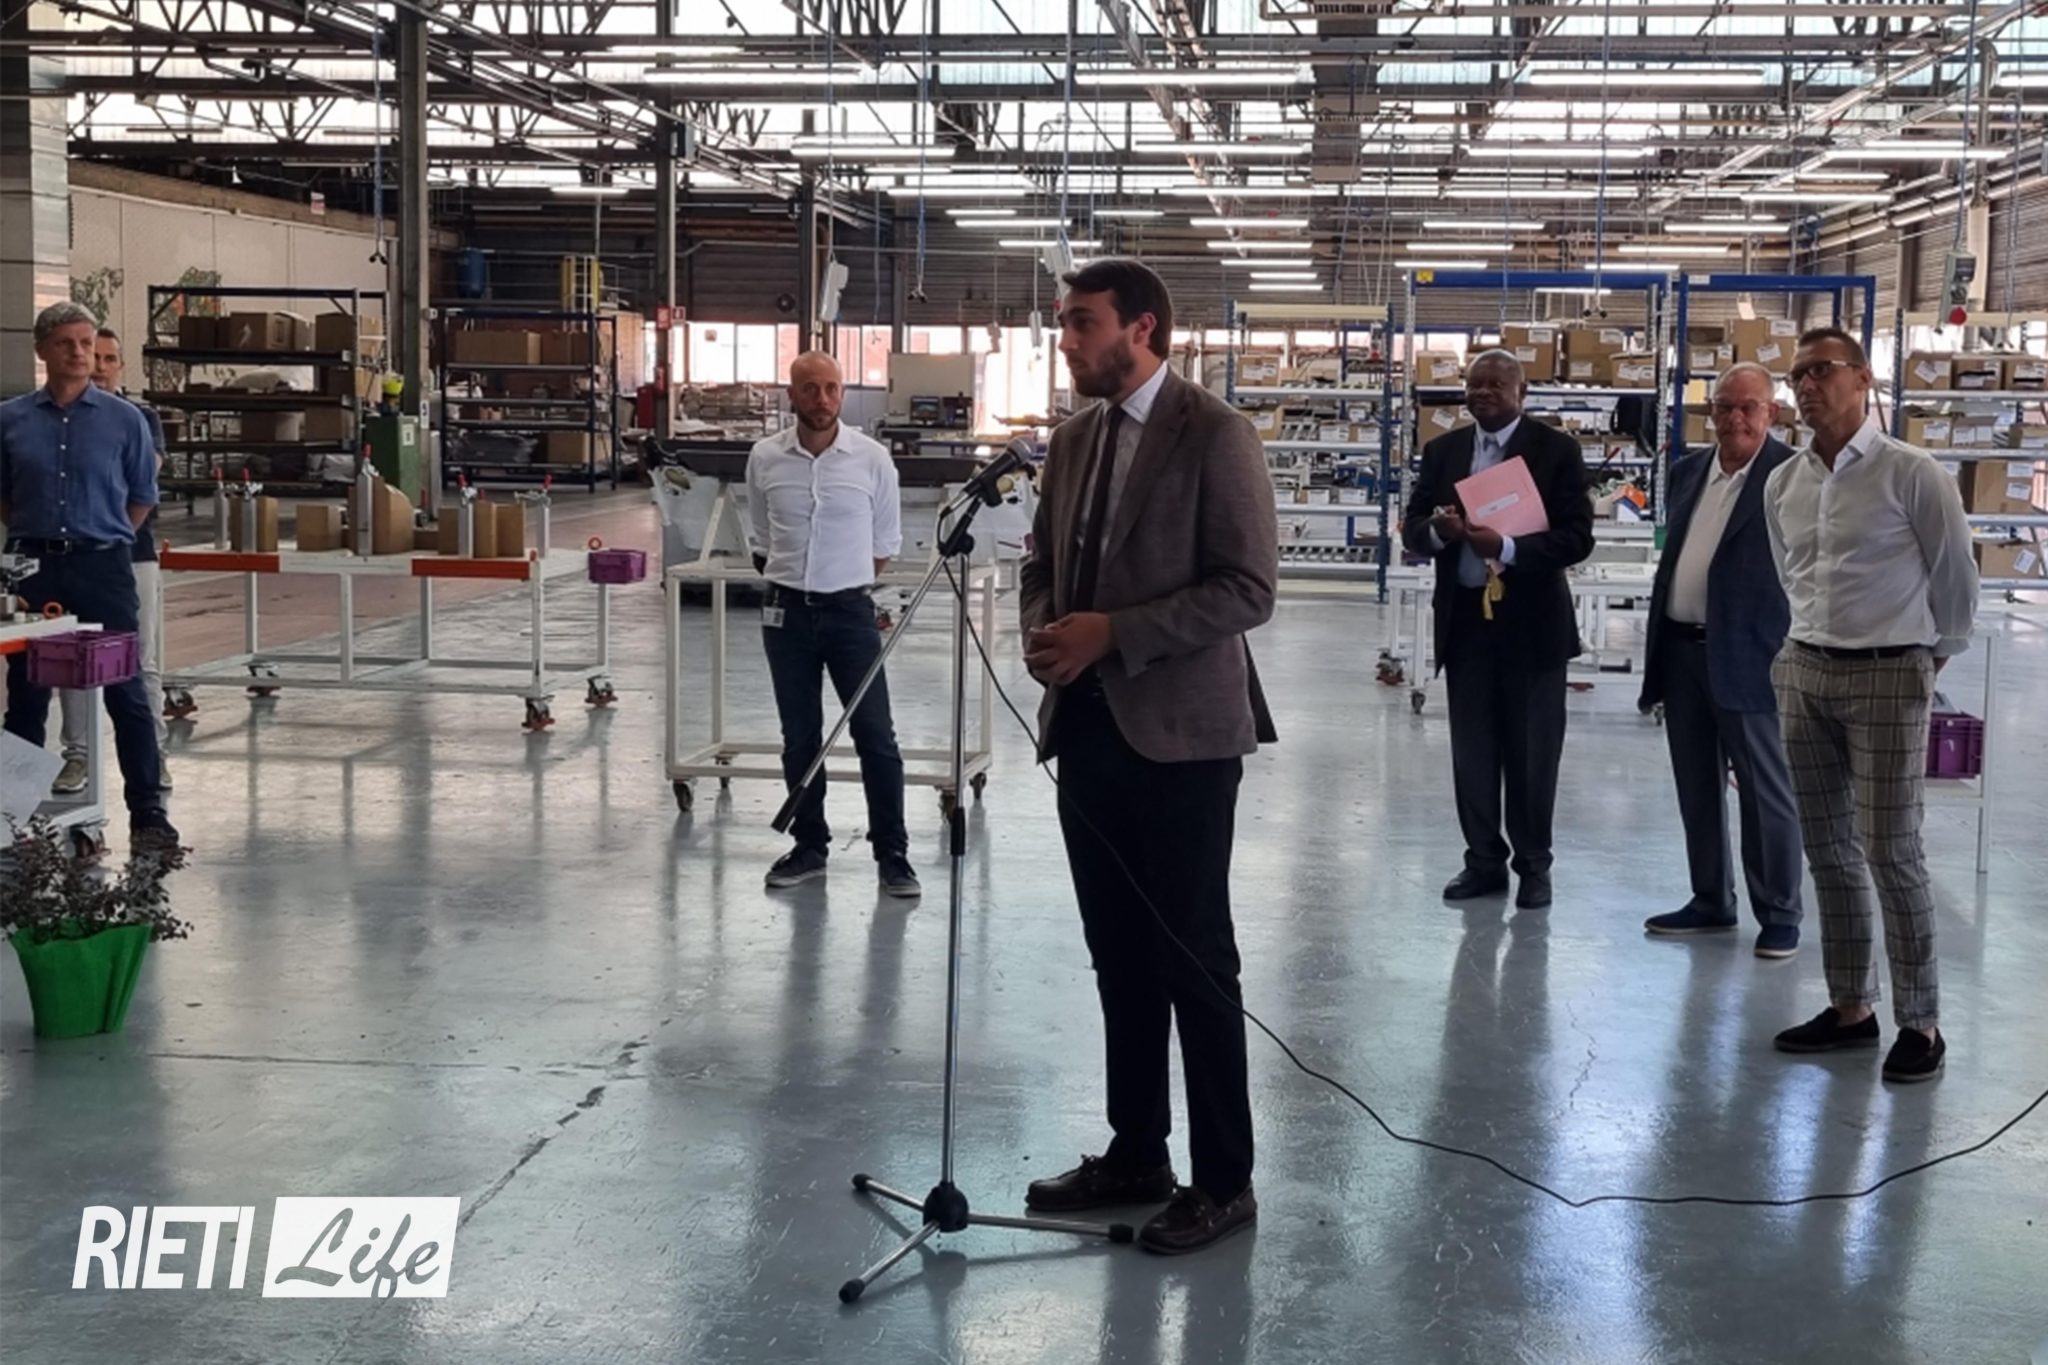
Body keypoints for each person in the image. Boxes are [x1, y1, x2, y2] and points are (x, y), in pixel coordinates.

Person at [1019, 258, 1277, 1255]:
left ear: (1143, 329)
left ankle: (1224, 1179)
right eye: (1063, 323)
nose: (1067, 341)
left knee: (1192, 957)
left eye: (1082, 323)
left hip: (1182, 739)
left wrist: (1113, 634)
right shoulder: (1072, 440)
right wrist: (1048, 626)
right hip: (1087, 728)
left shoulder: (1214, 433)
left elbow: (1247, 587)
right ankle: (1136, 1152)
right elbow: (1041, 560)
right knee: (1117, 953)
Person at [1764, 327, 1976, 1083]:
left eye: (1821, 370)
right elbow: (1791, 574)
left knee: (1892, 850)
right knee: (1827, 848)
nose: (1806, 386)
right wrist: (1802, 652)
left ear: (1862, 379)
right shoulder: (1784, 483)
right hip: (1805, 670)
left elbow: (1956, 578)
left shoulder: (1912, 473)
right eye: (1797, 375)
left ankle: (1921, 1022)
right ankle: (1851, 1007)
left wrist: (1927, 656)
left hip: (1889, 673)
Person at [1401, 348, 1594, 910]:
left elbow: (1577, 538)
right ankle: (1482, 862)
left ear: (1521, 392)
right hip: (1466, 626)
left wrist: (1506, 547)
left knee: (1532, 755)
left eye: (1495, 384)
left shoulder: (1556, 451)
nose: (1482, 393)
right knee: (1473, 755)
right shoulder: (1443, 451)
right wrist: (1437, 531)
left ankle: (1534, 866)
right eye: (1474, 383)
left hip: (1532, 629)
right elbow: (1412, 528)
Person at [1637, 363, 1804, 958]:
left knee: (1765, 790)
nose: (1735, 418)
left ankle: (1779, 911)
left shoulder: (1794, 476)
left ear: (1772, 413)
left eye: (1748, 407)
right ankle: (1710, 898)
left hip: (1752, 655)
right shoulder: (1688, 472)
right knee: (1696, 786)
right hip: (1682, 653)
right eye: (1724, 407)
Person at [1, 301, 178, 849]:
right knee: (27, 688)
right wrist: (39, 536)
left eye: (86, 343)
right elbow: (4, 495)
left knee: (126, 689)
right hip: (33, 567)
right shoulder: (10, 420)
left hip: (102, 565)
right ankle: (12, 814)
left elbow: (142, 496)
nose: (79, 354)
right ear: (42, 350)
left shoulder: (125, 421)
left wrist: (101, 536)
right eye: (66, 343)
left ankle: (148, 812)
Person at [744, 349, 918, 898]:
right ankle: (809, 846)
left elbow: (884, 543)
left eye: (831, 388)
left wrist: (839, 584)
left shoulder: (872, 459)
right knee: (800, 737)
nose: (822, 399)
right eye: (810, 388)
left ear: (842, 393)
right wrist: (799, 583)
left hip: (850, 615)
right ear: (791, 395)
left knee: (876, 736)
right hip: (785, 615)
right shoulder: (764, 458)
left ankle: (892, 854)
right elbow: (761, 537)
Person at [54, 327, 171, 796]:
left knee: (139, 657)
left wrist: (112, 530)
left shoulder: (140, 418)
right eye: (93, 356)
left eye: (108, 358)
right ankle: (77, 754)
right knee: (70, 654)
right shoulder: (59, 420)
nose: (99, 365)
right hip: (69, 558)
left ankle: (153, 754)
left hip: (131, 555)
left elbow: (140, 480)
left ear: (121, 365)